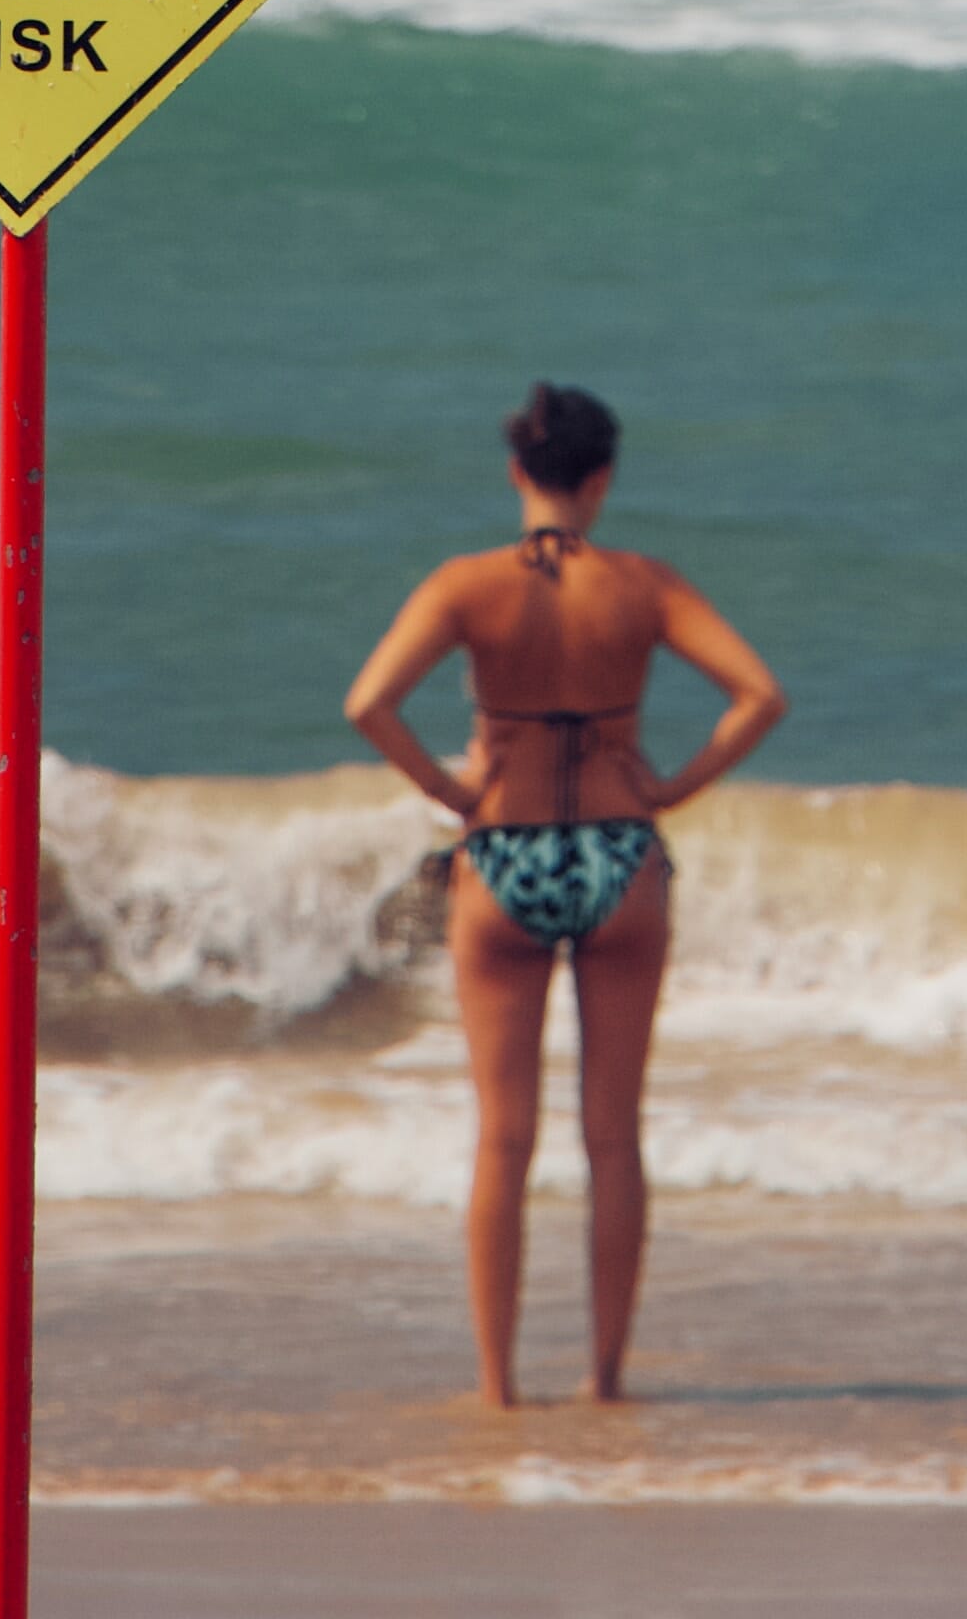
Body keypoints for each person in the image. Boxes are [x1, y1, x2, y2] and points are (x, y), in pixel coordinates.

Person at [345, 381, 785, 1407]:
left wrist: (453, 791)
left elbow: (369, 702)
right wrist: (671, 786)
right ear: (602, 480)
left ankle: (498, 1388)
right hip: (620, 857)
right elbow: (761, 694)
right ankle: (605, 1379)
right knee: (612, 1136)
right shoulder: (645, 585)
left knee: (504, 1137)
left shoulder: (466, 586)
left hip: (502, 857)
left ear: (516, 473)